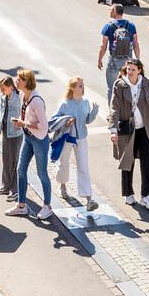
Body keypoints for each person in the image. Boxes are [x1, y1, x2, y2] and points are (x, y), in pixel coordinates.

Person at [111, 59, 149, 210]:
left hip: (146, 129)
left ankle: (145, 195)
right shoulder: (120, 85)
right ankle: (128, 194)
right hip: (128, 130)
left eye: (133, 70)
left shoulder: (147, 84)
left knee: (148, 161)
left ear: (140, 70)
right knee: (127, 162)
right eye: (128, 69)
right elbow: (114, 108)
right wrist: (113, 129)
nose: (129, 72)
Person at [8, 69, 53, 219]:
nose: (16, 81)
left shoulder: (37, 101)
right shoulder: (23, 95)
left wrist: (24, 124)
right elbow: (27, 117)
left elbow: (43, 126)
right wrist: (21, 123)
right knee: (21, 169)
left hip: (39, 139)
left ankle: (47, 206)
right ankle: (21, 205)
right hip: (28, 137)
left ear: (26, 82)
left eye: (19, 79)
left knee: (42, 173)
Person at [52, 77, 99, 211]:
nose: (82, 88)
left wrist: (94, 113)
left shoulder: (85, 102)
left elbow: (87, 120)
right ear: (72, 88)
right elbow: (54, 120)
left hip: (81, 138)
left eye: (83, 86)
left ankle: (89, 199)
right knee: (64, 163)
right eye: (80, 86)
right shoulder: (64, 104)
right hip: (67, 138)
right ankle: (62, 186)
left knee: (83, 167)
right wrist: (66, 122)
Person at [97, 3, 140, 96]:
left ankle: (112, 110)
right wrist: (137, 60)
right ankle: (127, 109)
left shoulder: (108, 26)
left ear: (115, 12)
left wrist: (99, 60)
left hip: (113, 61)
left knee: (111, 88)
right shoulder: (131, 25)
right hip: (128, 61)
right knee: (128, 88)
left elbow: (103, 46)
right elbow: (136, 44)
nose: (109, 11)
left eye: (111, 10)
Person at [0, 75, 23, 198]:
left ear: (11, 87)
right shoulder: (3, 97)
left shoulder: (18, 98)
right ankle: (5, 186)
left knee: (14, 161)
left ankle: (15, 189)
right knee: (6, 159)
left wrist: (20, 123)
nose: (2, 91)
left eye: (3, 89)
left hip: (16, 133)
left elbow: (24, 112)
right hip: (6, 131)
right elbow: (1, 112)